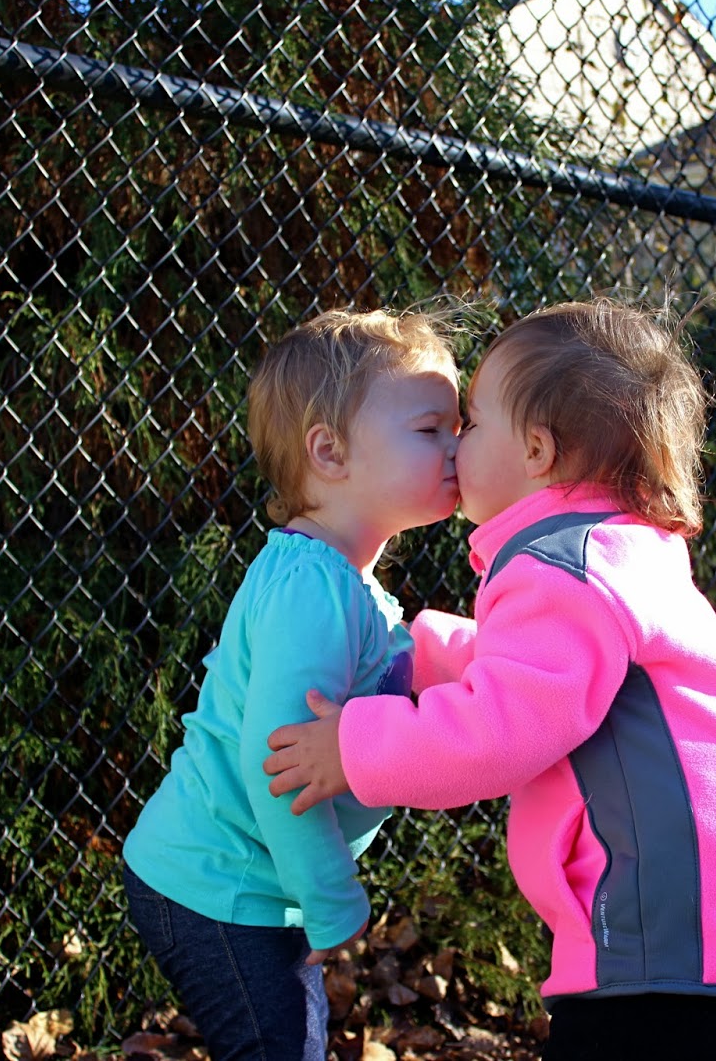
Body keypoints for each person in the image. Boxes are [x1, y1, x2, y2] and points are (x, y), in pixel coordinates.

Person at [263, 299, 716, 1061]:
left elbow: (498, 731)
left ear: (536, 450)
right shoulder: (621, 550)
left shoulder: (557, 566)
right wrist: (424, 649)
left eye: (472, 422)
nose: (456, 443)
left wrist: (354, 748)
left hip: (668, 936)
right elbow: (547, 680)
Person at [121, 307, 462, 1061]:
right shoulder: (311, 589)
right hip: (217, 881)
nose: (456, 446)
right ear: (330, 452)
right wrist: (331, 897)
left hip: (250, 886)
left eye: (459, 426)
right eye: (430, 428)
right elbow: (279, 763)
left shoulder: (348, 584)